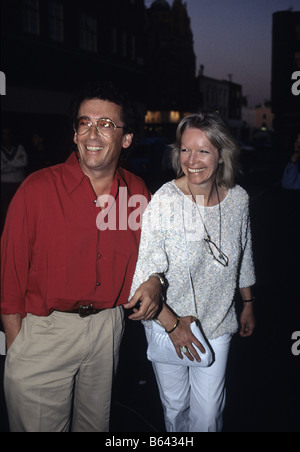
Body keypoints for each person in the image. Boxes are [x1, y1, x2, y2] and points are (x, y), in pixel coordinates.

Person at [0, 81, 162, 432]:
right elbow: (9, 279)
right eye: (84, 123)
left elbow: (154, 256)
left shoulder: (137, 192)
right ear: (74, 134)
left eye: (106, 124)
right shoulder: (37, 190)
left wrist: (154, 281)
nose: (93, 133)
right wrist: (20, 349)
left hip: (108, 329)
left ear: (127, 138)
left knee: (95, 427)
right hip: (45, 330)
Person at [130, 112, 256, 433]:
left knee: (209, 413)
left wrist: (249, 302)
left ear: (221, 154)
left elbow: (244, 253)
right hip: (166, 323)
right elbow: (147, 270)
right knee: (175, 408)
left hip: (218, 321)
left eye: (203, 150)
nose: (192, 159)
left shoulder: (239, 200)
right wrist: (172, 325)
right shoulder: (164, 201)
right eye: (185, 149)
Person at [1, 127, 28, 231]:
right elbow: (1, 168)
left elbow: (24, 162)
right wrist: (16, 164)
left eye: (8, 134)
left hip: (18, 182)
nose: (6, 136)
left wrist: (7, 164)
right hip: (4, 183)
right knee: (4, 209)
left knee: (19, 209)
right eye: (4, 134)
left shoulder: (19, 148)